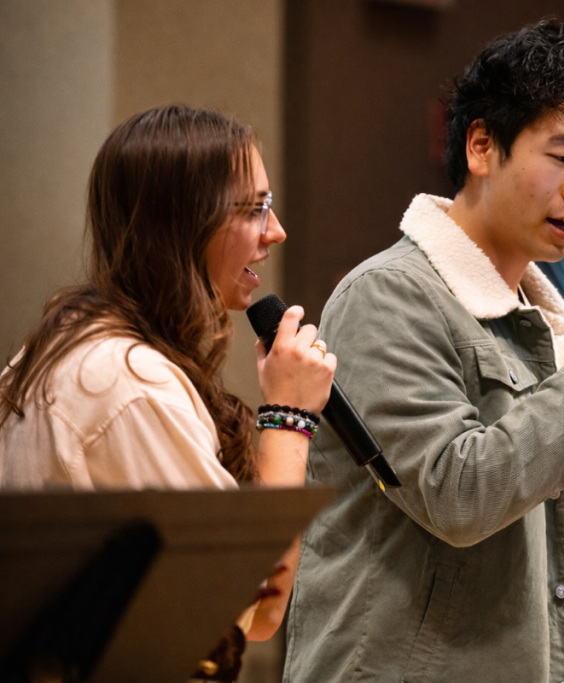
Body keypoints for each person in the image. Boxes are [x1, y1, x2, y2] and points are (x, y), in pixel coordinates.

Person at [284, 20, 564, 683]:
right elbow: (458, 496)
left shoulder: (541, 323)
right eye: (562, 156)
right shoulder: (389, 295)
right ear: (482, 145)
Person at [0, 105, 336, 644]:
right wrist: (289, 415)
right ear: (181, 224)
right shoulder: (129, 383)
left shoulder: (76, 342)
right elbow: (252, 606)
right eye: (254, 209)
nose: (276, 231)